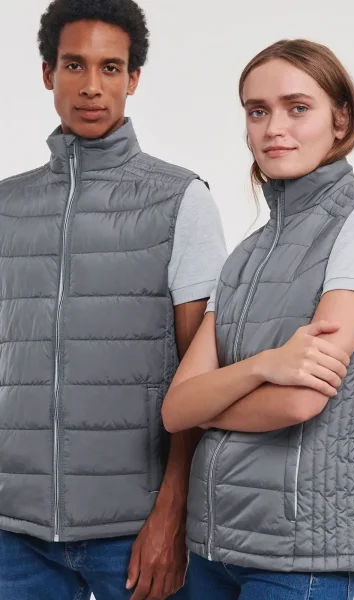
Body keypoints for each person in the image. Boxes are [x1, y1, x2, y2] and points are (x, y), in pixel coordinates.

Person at [161, 39, 354, 599]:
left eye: (297, 108)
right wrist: (265, 366)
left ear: (340, 118)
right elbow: (176, 410)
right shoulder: (246, 255)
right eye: (257, 111)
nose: (274, 127)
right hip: (209, 545)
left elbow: (299, 402)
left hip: (297, 555)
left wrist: (210, 404)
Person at [0, 1, 227, 599]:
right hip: (14, 536)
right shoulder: (6, 207)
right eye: (74, 65)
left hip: (137, 530)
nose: (91, 87)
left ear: (134, 78)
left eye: (110, 67)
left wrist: (173, 512)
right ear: (48, 73)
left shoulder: (180, 200)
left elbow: (202, 375)